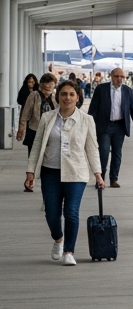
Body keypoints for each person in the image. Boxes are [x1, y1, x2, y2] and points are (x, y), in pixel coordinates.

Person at [24, 80, 104, 266]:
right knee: (51, 213)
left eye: (71, 94)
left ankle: (69, 251)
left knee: (71, 212)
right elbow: (37, 146)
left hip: (76, 172)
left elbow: (92, 148)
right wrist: (30, 171)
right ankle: (58, 238)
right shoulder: (47, 118)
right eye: (63, 94)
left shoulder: (86, 120)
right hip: (50, 171)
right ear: (57, 96)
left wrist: (98, 173)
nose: (67, 98)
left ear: (77, 97)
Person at [88, 68, 133, 187]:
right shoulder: (101, 89)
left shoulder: (127, 91)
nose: (119, 79)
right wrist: (89, 125)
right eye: (117, 76)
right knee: (104, 152)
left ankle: (113, 179)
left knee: (117, 153)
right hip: (104, 126)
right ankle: (100, 179)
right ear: (111, 76)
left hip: (119, 127)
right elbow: (93, 109)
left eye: (122, 77)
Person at [16, 73, 58, 192]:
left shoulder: (56, 97)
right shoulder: (33, 95)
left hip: (51, 131)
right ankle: (30, 180)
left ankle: (48, 180)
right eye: (44, 88)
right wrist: (21, 128)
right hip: (34, 129)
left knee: (49, 156)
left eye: (50, 88)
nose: (47, 92)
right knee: (33, 156)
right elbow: (26, 113)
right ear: (40, 86)